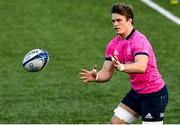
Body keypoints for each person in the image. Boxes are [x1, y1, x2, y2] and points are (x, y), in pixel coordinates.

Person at [79, 3, 168, 124]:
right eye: (113, 21)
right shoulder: (113, 44)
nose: (115, 24)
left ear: (129, 21)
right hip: (137, 92)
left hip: (154, 94)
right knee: (116, 123)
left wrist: (122, 67)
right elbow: (106, 72)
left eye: (119, 20)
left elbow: (141, 66)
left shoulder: (139, 41)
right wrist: (97, 77)